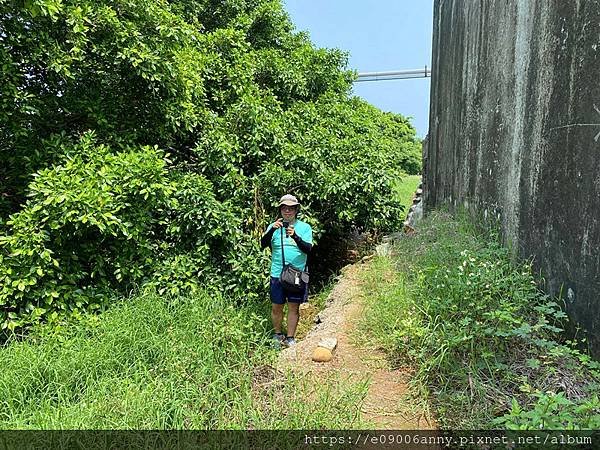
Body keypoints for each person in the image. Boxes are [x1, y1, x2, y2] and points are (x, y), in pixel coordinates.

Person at [260, 194, 313, 348]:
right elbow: (263, 244)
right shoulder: (273, 226)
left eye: (291, 208)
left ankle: (290, 337)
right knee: (276, 306)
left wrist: (295, 236)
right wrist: (271, 231)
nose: (287, 211)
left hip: (296, 274)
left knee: (293, 307)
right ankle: (277, 334)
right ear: (280, 210)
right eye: (284, 208)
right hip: (277, 273)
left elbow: (308, 249)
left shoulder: (304, 227)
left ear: (296, 210)